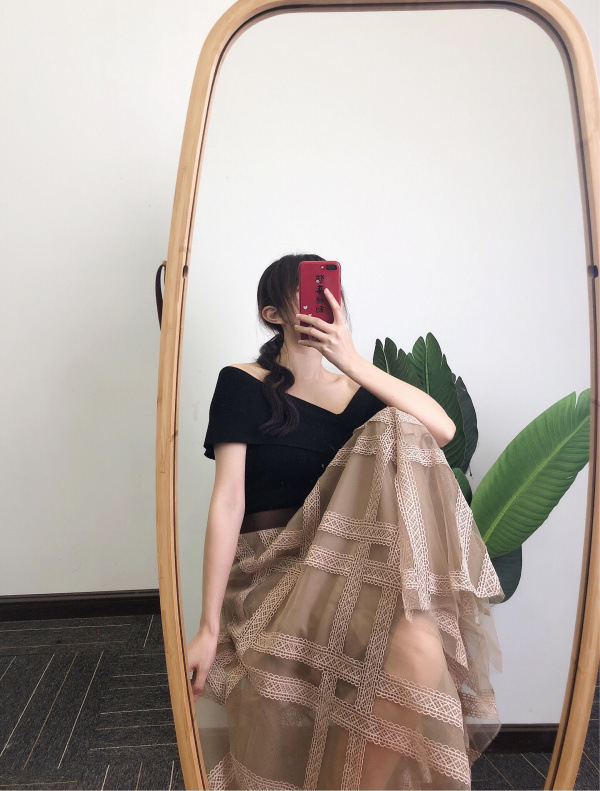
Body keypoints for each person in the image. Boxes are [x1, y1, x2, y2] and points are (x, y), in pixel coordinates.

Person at [186, 253, 505, 790]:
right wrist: (208, 627)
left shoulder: (358, 395)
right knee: (391, 428)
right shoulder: (242, 383)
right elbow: (228, 502)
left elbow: (442, 431)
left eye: (327, 289)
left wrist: (351, 360)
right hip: (270, 574)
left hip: (350, 571)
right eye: (307, 292)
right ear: (272, 313)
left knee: (422, 646)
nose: (323, 301)